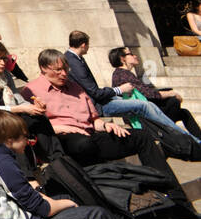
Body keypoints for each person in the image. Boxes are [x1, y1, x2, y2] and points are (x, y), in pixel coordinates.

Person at [0, 110, 174, 219]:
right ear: (9, 140)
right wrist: (67, 204)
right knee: (96, 216)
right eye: (24, 139)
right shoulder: (4, 164)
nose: (28, 142)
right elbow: (42, 208)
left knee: (64, 199)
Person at [26, 50, 181, 168]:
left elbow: (94, 119)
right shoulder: (31, 91)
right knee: (84, 145)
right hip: (65, 138)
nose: (64, 74)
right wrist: (65, 128)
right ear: (44, 68)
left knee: (142, 137)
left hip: (92, 133)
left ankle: (173, 193)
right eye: (58, 70)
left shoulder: (75, 87)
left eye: (66, 69)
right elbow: (34, 128)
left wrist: (107, 125)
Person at [63, 31, 199, 146]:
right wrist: (119, 90)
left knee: (173, 109)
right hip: (97, 105)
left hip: (102, 100)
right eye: (130, 54)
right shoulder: (74, 61)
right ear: (83, 44)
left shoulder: (76, 59)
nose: (134, 55)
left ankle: (186, 139)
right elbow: (94, 92)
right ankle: (190, 140)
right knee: (147, 105)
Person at [110, 45, 201, 138]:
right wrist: (172, 93)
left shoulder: (120, 73)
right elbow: (149, 95)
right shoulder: (124, 74)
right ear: (122, 59)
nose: (135, 56)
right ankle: (166, 132)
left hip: (140, 112)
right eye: (131, 54)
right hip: (141, 116)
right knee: (173, 101)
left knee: (183, 113)